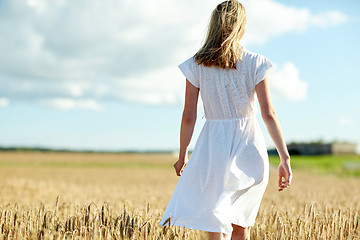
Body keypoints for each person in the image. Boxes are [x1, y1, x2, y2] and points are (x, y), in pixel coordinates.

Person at [160, 0, 292, 239]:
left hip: (213, 147)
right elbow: (269, 113)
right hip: (249, 146)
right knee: (241, 224)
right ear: (241, 26)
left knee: (215, 223)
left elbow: (188, 115)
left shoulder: (196, 64)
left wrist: (182, 155)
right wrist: (284, 157)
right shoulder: (255, 63)